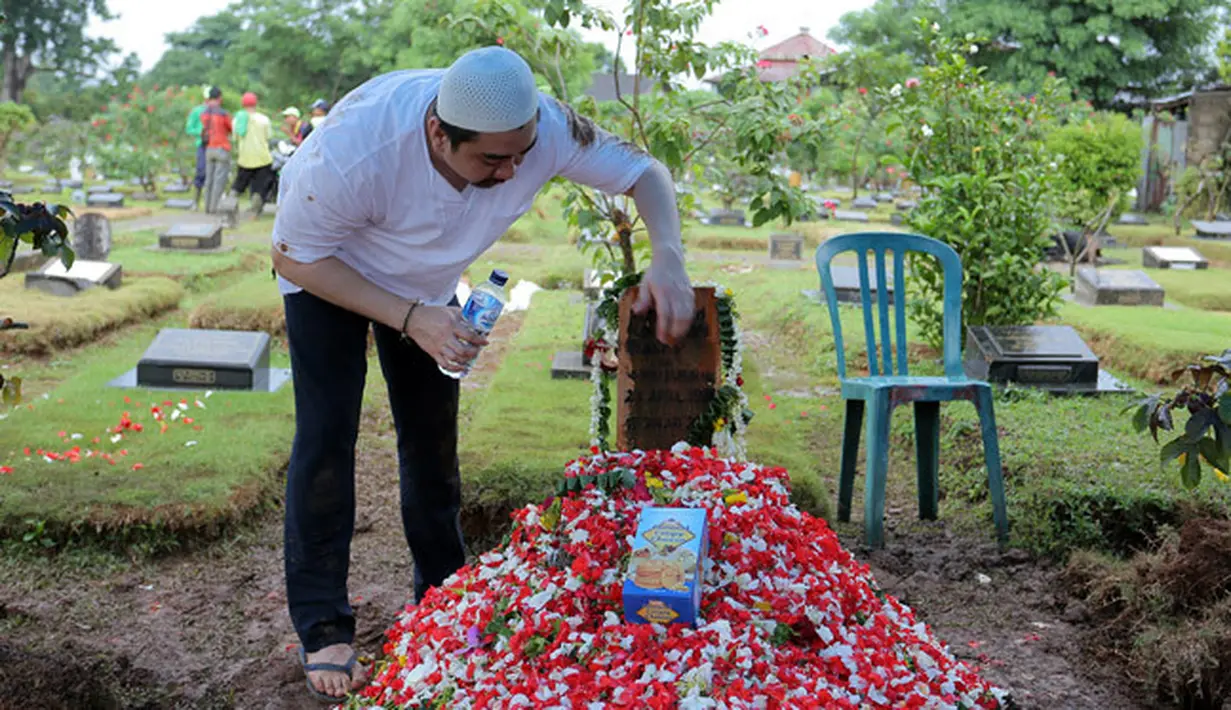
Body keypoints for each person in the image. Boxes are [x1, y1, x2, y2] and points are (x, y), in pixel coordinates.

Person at [269, 46, 695, 701]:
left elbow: (645, 171)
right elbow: (295, 257)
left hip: (430, 282)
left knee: (432, 443)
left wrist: (667, 256)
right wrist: (408, 316)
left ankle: (443, 597)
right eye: (492, 160)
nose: (512, 173)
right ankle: (323, 623)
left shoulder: (542, 129)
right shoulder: (355, 150)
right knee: (327, 437)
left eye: (521, 155)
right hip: (332, 274)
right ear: (438, 133)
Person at [230, 91, 276, 218]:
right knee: (259, 186)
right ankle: (255, 213)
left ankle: (228, 209)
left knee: (238, 185)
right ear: (256, 103)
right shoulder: (264, 119)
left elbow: (235, 138)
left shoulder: (237, 120)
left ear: (242, 104)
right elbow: (268, 137)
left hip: (244, 158)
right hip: (262, 158)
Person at [199, 87, 234, 214]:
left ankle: (207, 208)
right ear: (220, 97)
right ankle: (215, 208)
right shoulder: (223, 113)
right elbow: (230, 128)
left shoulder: (204, 113)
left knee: (209, 180)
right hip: (222, 147)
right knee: (219, 180)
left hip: (209, 148)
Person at [183, 86, 211, 210]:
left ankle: (210, 202)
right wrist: (201, 132)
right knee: (201, 171)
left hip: (216, 145)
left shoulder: (219, 111)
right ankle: (196, 201)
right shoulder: (197, 111)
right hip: (202, 144)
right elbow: (189, 128)